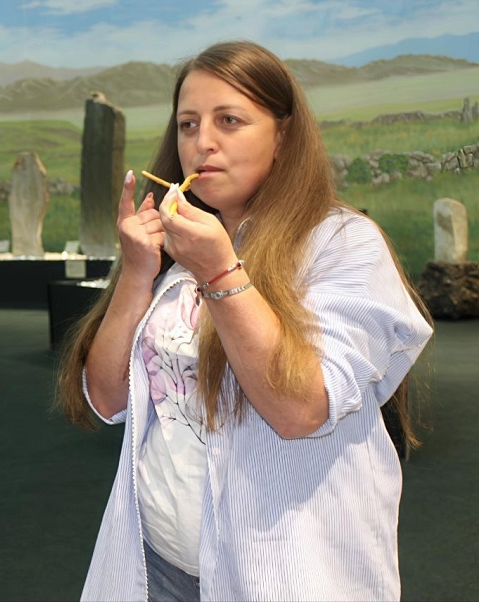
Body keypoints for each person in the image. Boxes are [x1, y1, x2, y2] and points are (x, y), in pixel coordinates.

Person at [56, 41, 433, 601]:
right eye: (188, 124)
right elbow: (105, 400)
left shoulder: (343, 244)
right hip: (156, 563)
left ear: (282, 136)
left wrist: (219, 272)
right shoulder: (176, 244)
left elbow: (300, 410)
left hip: (282, 573)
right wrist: (137, 273)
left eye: (229, 120)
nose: (202, 142)